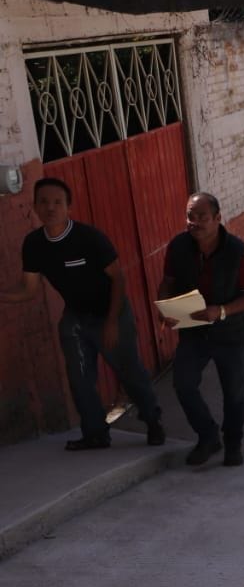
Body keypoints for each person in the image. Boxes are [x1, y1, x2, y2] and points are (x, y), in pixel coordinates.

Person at [0, 177, 164, 450]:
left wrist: (111, 323)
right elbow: (28, 290)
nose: (50, 208)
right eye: (43, 202)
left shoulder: (89, 238)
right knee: (79, 379)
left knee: (129, 372)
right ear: (35, 207)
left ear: (69, 207)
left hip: (111, 312)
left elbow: (118, 280)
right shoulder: (33, 244)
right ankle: (95, 434)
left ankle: (153, 423)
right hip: (76, 317)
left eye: (57, 202)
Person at [158, 192, 244, 467]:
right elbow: (167, 282)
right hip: (194, 331)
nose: (195, 222)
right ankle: (207, 436)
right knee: (184, 383)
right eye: (191, 216)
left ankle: (233, 443)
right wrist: (166, 308)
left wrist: (222, 310)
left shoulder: (236, 250)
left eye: (202, 217)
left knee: (234, 391)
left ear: (217, 218)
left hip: (231, 332)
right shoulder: (178, 246)